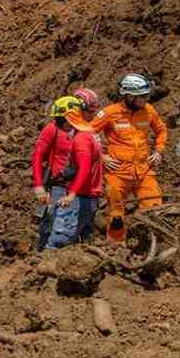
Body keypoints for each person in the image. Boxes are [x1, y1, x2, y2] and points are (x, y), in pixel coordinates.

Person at [91, 73, 167, 242]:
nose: (147, 99)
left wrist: (159, 151)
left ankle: (155, 243)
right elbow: (87, 135)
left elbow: (161, 130)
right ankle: (115, 247)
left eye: (147, 95)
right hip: (118, 171)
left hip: (144, 170)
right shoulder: (110, 113)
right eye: (143, 96)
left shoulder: (149, 110)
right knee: (116, 214)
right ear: (129, 95)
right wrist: (101, 157)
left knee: (155, 208)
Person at [47, 94, 104, 247]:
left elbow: (84, 169)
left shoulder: (81, 139)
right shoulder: (91, 133)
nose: (58, 124)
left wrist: (70, 195)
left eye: (60, 120)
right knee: (79, 246)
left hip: (79, 198)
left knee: (57, 244)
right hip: (90, 198)